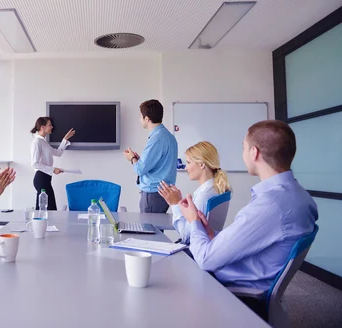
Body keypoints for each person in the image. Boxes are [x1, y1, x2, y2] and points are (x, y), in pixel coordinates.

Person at [178, 120, 318, 294]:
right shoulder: (301, 197)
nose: (242, 153)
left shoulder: (269, 206)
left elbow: (205, 259)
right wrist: (213, 235)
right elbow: (258, 238)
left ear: (254, 153)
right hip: (247, 277)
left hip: (232, 292)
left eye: (243, 147)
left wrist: (193, 221)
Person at [157, 141, 231, 244]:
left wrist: (175, 204)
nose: (186, 167)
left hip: (194, 252)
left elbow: (186, 237)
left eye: (188, 162)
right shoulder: (217, 188)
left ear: (201, 165)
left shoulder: (203, 196)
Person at [123, 99, 178, 213]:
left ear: (147, 118)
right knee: (156, 229)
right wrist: (139, 160)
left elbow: (140, 169)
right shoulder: (168, 136)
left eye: (140, 116)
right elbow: (157, 164)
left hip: (153, 194)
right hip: (161, 193)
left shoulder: (156, 138)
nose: (140, 119)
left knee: (149, 229)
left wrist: (132, 158)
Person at [30, 117, 75, 211]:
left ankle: (46, 225)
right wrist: (53, 169)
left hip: (46, 178)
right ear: (42, 127)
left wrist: (65, 139)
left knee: (50, 208)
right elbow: (35, 164)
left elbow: (58, 153)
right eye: (49, 125)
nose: (52, 127)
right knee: (45, 208)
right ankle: (39, 225)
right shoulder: (37, 142)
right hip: (41, 178)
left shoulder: (43, 142)